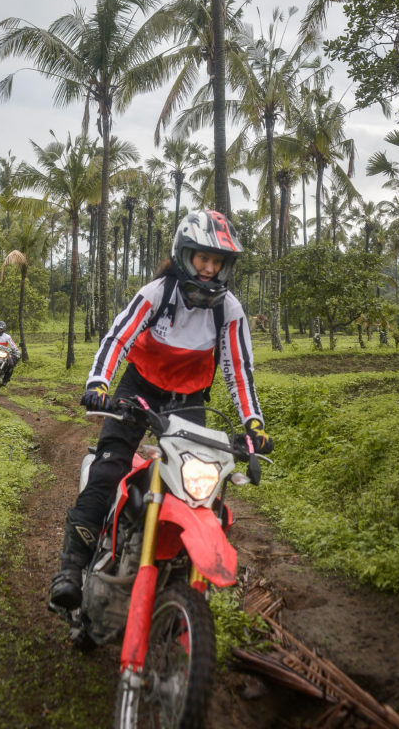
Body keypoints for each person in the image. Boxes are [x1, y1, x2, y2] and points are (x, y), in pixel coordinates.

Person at [49, 209, 273, 610]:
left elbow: (239, 369)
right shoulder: (158, 293)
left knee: (195, 489)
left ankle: (177, 574)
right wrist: (98, 383)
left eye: (217, 261)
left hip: (188, 401)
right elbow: (118, 337)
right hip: (139, 389)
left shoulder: (229, 309)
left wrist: (253, 423)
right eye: (202, 258)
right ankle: (71, 568)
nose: (208, 269)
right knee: (108, 469)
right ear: (185, 255)